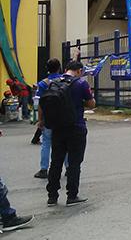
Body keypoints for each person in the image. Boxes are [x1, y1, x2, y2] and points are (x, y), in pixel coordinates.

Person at [45, 60, 95, 207]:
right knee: (74, 163)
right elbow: (91, 103)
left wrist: (42, 122)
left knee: (55, 162)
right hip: (76, 127)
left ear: (66, 69)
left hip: (58, 127)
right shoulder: (81, 84)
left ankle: (52, 196)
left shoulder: (53, 82)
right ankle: (72, 195)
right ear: (79, 71)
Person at [34, 58, 64, 179]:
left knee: (46, 143)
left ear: (47, 69)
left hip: (48, 118)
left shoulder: (43, 83)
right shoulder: (64, 80)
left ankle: (43, 169)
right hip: (62, 117)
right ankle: (68, 168)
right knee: (64, 143)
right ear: (59, 68)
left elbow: (40, 103)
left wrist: (40, 119)